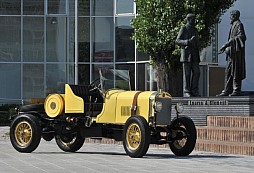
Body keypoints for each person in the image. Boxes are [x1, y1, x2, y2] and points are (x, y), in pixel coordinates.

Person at [217, 10, 246, 96]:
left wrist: (227, 44)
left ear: (235, 16)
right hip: (231, 54)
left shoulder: (239, 24)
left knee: (236, 71)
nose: (230, 17)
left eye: (231, 16)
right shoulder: (233, 25)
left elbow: (242, 36)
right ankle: (227, 90)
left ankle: (236, 90)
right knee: (228, 71)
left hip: (236, 54)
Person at [176, 13, 200, 97]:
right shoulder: (184, 28)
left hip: (195, 55)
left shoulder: (195, 29)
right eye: (193, 19)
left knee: (197, 72)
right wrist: (188, 41)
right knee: (187, 74)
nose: (194, 21)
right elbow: (177, 40)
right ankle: (186, 91)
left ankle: (194, 90)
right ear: (189, 19)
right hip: (186, 55)